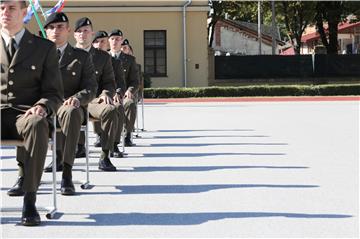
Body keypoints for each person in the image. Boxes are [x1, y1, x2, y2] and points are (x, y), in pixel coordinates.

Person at [1, 0, 63, 226]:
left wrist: (43, 106)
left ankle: (29, 199)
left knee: (39, 124)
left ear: (25, 12)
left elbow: (54, 92)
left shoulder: (43, 48)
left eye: (11, 8)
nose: (5, 12)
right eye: (1, 8)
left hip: (25, 114)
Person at [40, 12, 99, 195]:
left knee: (71, 113)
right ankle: (24, 175)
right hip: (45, 107)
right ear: (46, 32)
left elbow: (91, 87)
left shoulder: (81, 57)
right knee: (25, 117)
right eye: (51, 27)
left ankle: (66, 172)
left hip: (71, 106)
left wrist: (77, 99)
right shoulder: (37, 56)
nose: (55, 31)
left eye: (60, 27)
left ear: (68, 30)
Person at [73, 17, 123, 160]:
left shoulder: (103, 57)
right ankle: (68, 152)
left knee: (111, 109)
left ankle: (105, 154)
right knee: (63, 109)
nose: (83, 34)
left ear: (92, 33)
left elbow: (109, 81)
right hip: (73, 100)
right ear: (75, 35)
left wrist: (106, 93)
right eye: (80, 31)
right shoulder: (67, 54)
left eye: (86, 31)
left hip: (95, 101)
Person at [109, 29, 139, 147]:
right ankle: (100, 135)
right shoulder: (103, 57)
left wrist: (130, 90)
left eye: (117, 39)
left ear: (121, 41)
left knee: (130, 103)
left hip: (124, 93)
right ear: (108, 41)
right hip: (108, 93)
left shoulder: (129, 60)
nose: (115, 41)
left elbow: (135, 81)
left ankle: (127, 134)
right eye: (112, 39)